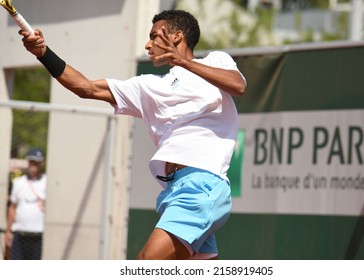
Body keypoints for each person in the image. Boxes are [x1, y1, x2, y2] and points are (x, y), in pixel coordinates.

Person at [19, 9, 246, 260]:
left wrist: (184, 62)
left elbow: (238, 86)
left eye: (154, 36)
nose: (148, 44)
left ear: (177, 37)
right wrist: (42, 53)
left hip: (202, 187)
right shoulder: (148, 85)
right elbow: (87, 88)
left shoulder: (215, 61)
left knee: (143, 266)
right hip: (174, 191)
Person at [5, 148, 47, 260]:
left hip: (39, 235)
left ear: (42, 163)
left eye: (36, 162)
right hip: (20, 234)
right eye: (31, 162)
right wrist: (8, 231)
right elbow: (12, 207)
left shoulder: (47, 182)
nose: (33, 165)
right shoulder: (18, 183)